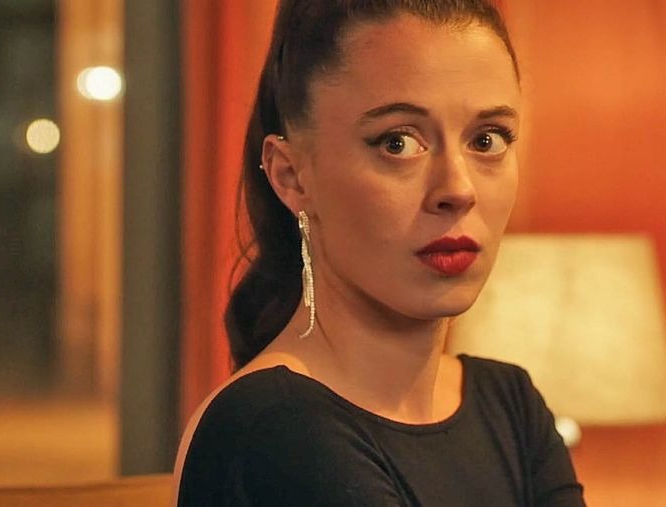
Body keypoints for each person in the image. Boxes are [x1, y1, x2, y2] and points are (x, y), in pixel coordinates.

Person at [174, 1, 586, 505]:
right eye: (397, 143)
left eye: (486, 139)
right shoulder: (273, 426)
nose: (458, 189)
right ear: (291, 175)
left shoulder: (511, 406)